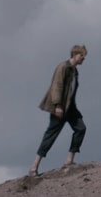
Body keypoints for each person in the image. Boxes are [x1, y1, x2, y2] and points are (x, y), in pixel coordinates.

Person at [28, 44, 87, 175]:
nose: (84, 58)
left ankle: (69, 161)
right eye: (82, 56)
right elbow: (57, 86)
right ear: (75, 55)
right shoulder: (63, 67)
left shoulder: (74, 71)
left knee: (81, 129)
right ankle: (34, 167)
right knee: (51, 135)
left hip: (70, 108)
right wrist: (58, 105)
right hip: (59, 108)